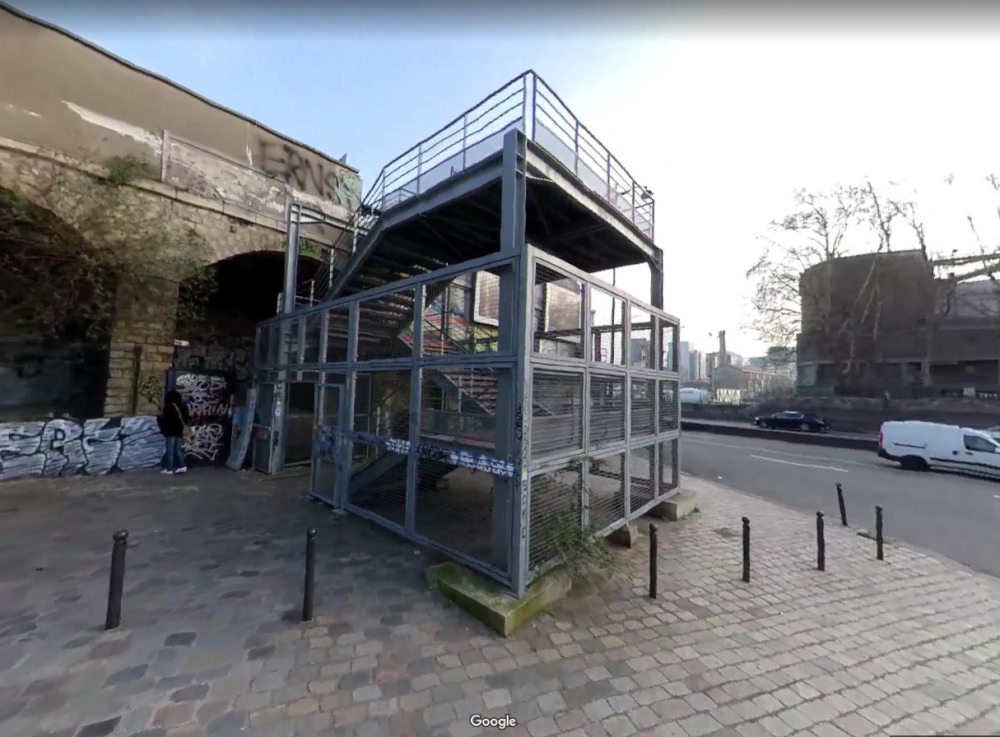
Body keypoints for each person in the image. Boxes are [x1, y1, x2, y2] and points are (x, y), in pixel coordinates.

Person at [157, 390, 191, 475]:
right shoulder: (183, 406)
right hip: (179, 431)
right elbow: (186, 418)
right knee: (178, 449)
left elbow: (165, 420)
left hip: (170, 431)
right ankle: (182, 466)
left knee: (170, 450)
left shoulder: (168, 407)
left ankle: (169, 468)